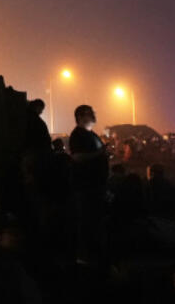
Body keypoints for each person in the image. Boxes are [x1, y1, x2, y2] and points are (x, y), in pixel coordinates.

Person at [68, 104, 108, 266]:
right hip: (86, 187)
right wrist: (99, 154)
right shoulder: (78, 135)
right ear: (80, 117)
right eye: (89, 113)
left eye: (93, 112)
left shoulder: (91, 135)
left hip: (96, 186)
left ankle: (93, 255)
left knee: (94, 222)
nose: (93, 116)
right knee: (86, 222)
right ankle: (84, 259)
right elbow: (77, 157)